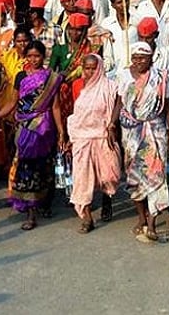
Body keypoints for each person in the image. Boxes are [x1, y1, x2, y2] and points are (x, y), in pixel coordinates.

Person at [0, 40, 64, 231]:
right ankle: (31, 212)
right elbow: (12, 103)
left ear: (43, 57)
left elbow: (55, 106)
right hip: (25, 127)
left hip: (44, 127)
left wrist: (61, 132)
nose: (34, 60)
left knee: (45, 167)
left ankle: (45, 203)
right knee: (27, 168)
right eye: (30, 56)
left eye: (37, 56)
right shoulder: (20, 77)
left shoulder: (52, 78)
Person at [114, 41, 169, 242]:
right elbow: (120, 102)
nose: (139, 62)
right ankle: (141, 217)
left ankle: (153, 222)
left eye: (143, 58)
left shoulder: (161, 77)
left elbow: (167, 106)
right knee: (134, 176)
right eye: (136, 58)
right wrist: (110, 125)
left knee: (156, 175)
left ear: (151, 58)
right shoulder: (123, 76)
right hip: (131, 133)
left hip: (156, 131)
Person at [66, 53, 121, 233]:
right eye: (87, 68)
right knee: (82, 178)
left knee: (109, 176)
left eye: (93, 68)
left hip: (103, 136)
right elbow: (73, 112)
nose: (90, 72)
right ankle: (87, 218)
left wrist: (112, 125)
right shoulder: (77, 86)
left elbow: (119, 101)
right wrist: (69, 138)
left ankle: (107, 200)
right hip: (82, 138)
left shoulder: (109, 87)